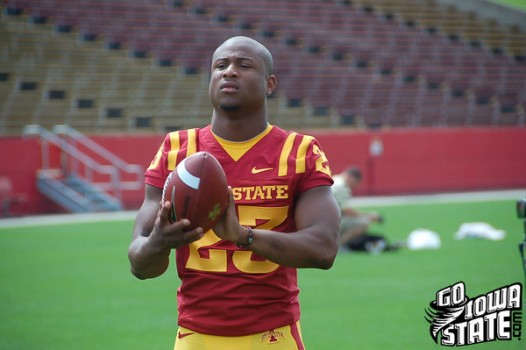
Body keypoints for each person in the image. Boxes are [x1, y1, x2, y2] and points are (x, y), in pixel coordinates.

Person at [128, 36, 340, 350]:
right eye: (220, 66)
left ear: (269, 84)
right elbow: (141, 265)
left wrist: (243, 236)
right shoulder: (176, 150)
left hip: (272, 335)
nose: (229, 72)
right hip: (195, 337)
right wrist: (161, 240)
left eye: (243, 65)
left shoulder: (299, 150)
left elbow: (324, 250)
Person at [331, 166, 392, 253]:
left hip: (323, 220)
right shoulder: (342, 186)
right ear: (352, 178)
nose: (355, 186)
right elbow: (347, 210)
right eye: (356, 183)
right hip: (330, 222)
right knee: (364, 222)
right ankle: (339, 246)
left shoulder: (335, 179)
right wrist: (369, 215)